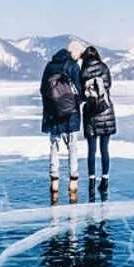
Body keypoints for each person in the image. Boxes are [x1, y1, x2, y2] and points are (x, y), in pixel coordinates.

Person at [40, 41, 85, 202]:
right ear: (75, 54)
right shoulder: (73, 66)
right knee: (72, 146)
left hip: (53, 115)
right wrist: (75, 102)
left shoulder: (50, 66)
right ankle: (73, 183)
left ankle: (54, 183)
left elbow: (43, 90)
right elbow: (81, 90)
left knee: (54, 146)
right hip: (70, 114)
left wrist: (52, 106)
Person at [79, 45, 116, 200]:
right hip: (106, 112)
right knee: (104, 149)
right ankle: (105, 180)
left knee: (91, 151)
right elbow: (108, 86)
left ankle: (92, 183)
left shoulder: (84, 71)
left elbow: (81, 94)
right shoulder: (105, 68)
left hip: (91, 115)